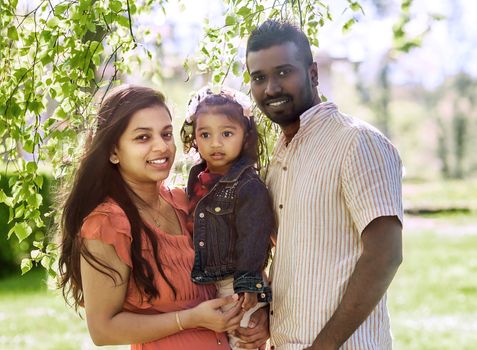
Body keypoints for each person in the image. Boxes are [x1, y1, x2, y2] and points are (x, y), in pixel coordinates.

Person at [58, 84, 268, 350]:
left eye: (166, 134)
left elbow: (235, 265)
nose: (162, 146)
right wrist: (190, 319)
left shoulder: (186, 202)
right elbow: (102, 330)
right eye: (143, 138)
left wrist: (260, 316)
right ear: (113, 151)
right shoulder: (107, 225)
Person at [244, 20, 403, 350]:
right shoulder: (280, 156)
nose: (270, 88)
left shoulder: (357, 142)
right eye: (259, 78)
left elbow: (385, 255)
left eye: (283, 72)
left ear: (313, 74)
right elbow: (293, 257)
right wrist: (266, 317)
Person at [180, 86, 275, 350]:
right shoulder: (197, 177)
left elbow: (253, 237)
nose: (215, 143)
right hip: (206, 281)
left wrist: (248, 282)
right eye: (205, 134)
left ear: (245, 136)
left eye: (227, 133)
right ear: (194, 138)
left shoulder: (248, 185)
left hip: (237, 285)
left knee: (242, 342)